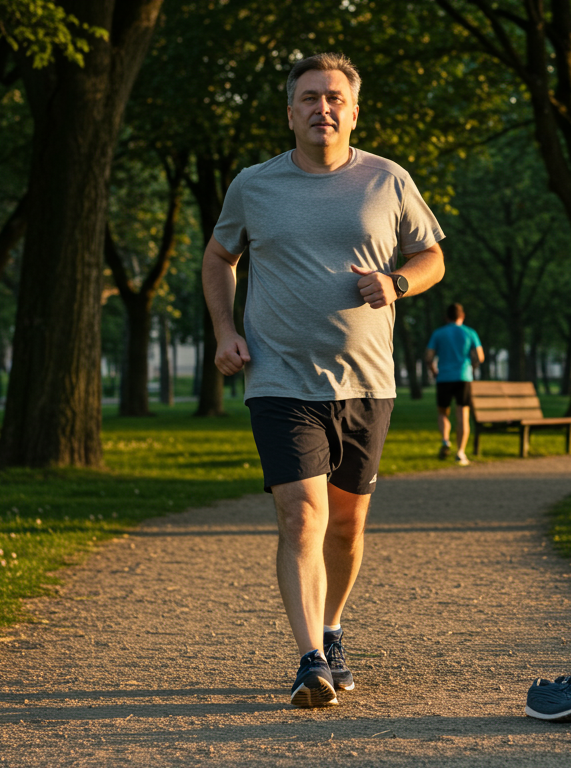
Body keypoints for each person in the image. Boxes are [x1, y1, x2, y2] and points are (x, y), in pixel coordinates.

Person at [202, 53, 446, 709]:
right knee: (301, 515)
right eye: (309, 98)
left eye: (335, 98)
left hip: (366, 381)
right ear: (290, 112)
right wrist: (225, 330)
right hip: (280, 378)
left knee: (345, 526)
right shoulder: (254, 185)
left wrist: (397, 282)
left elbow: (431, 256)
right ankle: (310, 658)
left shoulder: (388, 179)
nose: (323, 108)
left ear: (354, 111)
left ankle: (332, 628)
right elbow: (219, 256)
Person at [424, 303, 484, 466]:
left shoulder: (438, 333)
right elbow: (480, 357)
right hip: (463, 377)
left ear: (446, 317)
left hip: (444, 378)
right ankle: (460, 453)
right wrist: (472, 367)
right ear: (462, 316)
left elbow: (428, 357)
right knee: (462, 415)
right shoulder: (470, 332)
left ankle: (445, 441)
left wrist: (433, 371)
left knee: (443, 413)